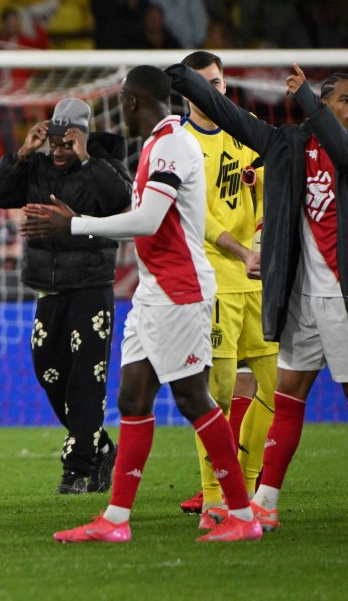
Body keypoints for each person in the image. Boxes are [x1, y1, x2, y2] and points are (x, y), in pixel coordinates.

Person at [24, 65, 262, 543]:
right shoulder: (157, 144)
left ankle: (242, 513)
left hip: (180, 289)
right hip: (153, 291)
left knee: (194, 398)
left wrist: (74, 224)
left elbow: (151, 219)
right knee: (133, 397)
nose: (122, 112)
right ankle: (114, 520)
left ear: (133, 101)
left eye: (123, 102)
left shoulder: (172, 144)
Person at [166, 62, 348, 531]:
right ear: (326, 105)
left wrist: (307, 97)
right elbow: (233, 118)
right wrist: (183, 80)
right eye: (345, 101)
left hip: (343, 300)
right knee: (285, 396)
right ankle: (263, 501)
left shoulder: (342, 146)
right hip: (302, 300)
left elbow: (343, 153)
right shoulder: (290, 144)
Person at [0, 98, 131, 495]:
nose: (60, 152)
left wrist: (87, 160)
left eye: (69, 143)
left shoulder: (106, 164)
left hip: (92, 289)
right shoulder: (37, 164)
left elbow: (121, 205)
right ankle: (99, 446)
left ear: (82, 136)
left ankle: (76, 469)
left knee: (87, 380)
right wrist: (22, 152)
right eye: (55, 144)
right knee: (48, 372)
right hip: (48, 289)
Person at [176, 51, 278, 524]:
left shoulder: (247, 127)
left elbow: (270, 181)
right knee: (214, 396)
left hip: (259, 280)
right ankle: (214, 496)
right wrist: (243, 253)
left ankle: (252, 486)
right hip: (214, 282)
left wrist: (260, 231)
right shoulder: (180, 142)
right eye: (203, 86)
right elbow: (195, 217)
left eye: (218, 83)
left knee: (278, 390)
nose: (213, 92)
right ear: (186, 93)